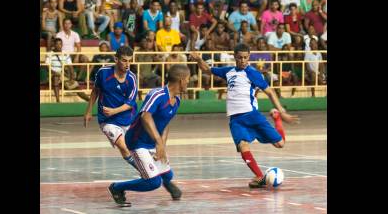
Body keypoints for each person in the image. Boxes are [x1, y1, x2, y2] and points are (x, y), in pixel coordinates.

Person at [191, 43, 299, 188]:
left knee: (280, 144)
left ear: (249, 57)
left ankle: (276, 118)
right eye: (240, 57)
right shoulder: (228, 71)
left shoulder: (253, 73)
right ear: (235, 56)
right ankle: (260, 176)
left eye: (245, 58)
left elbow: (270, 92)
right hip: (236, 119)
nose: (243, 61)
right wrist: (198, 59)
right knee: (243, 146)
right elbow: (206, 69)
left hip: (252, 115)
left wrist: (282, 113)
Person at [108, 64, 190, 207]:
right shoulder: (157, 94)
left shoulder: (177, 101)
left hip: (153, 142)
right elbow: (145, 116)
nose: (189, 83)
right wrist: (158, 142)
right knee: (153, 182)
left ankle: (166, 182)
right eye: (188, 80)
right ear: (182, 80)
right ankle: (117, 188)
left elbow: (166, 124)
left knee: (168, 175)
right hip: (137, 142)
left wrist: (162, 146)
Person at [84, 46, 139, 175]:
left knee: (137, 149)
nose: (127, 64)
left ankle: (150, 168)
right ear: (116, 59)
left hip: (128, 118)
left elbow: (131, 103)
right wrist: (88, 110)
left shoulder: (132, 78)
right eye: (124, 60)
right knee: (123, 147)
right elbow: (96, 91)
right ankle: (143, 171)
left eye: (130, 61)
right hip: (107, 120)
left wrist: (114, 111)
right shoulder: (103, 73)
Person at [45, 38, 90, 102]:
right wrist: (54, 72)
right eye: (57, 44)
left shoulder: (65, 53)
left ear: (62, 45)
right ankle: (58, 101)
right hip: (52, 74)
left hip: (63, 75)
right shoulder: (49, 54)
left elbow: (70, 67)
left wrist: (72, 78)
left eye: (60, 44)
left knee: (76, 87)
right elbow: (47, 67)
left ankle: (89, 100)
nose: (58, 45)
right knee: (55, 78)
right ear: (54, 45)